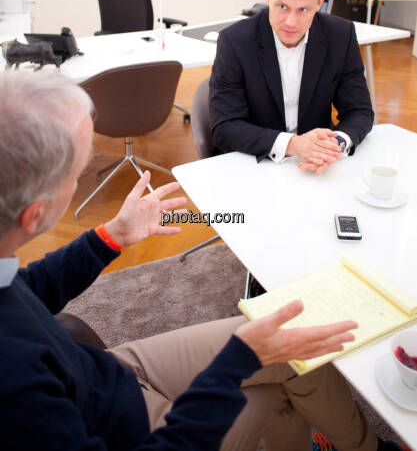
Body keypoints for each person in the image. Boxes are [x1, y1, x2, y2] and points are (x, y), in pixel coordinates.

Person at [0, 71, 401, 451]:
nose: (80, 177)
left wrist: (110, 237)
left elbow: (25, 291)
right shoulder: (18, 391)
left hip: (106, 373)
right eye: (79, 171)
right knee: (285, 371)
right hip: (134, 430)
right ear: (35, 215)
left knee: (288, 338)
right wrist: (236, 361)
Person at [210, 0, 374, 175]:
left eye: (303, 9)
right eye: (282, 6)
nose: (290, 21)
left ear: (320, 4)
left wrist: (332, 146)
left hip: (315, 169)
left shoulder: (340, 35)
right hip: (255, 164)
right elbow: (225, 127)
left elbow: (360, 111)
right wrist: (293, 145)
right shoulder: (235, 41)